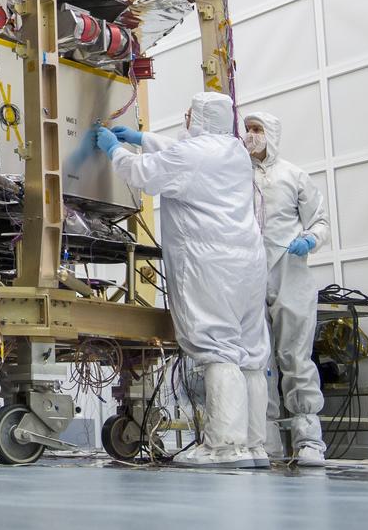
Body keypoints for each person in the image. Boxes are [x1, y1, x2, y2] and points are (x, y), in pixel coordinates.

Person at [94, 91, 269, 468]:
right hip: (249, 265)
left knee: (216, 348)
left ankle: (223, 446)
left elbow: (144, 174)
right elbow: (184, 153)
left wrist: (114, 150)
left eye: (191, 114)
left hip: (210, 264)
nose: (186, 118)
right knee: (251, 353)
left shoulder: (190, 156)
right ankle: (254, 445)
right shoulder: (235, 152)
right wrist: (141, 139)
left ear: (202, 118)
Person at [244, 111, 331, 468]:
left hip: (289, 267)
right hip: (250, 270)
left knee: (295, 354)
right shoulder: (238, 174)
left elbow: (320, 220)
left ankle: (308, 439)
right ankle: (267, 440)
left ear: (272, 134)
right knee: (259, 360)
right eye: (247, 129)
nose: (250, 135)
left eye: (257, 130)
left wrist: (310, 239)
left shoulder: (294, 176)